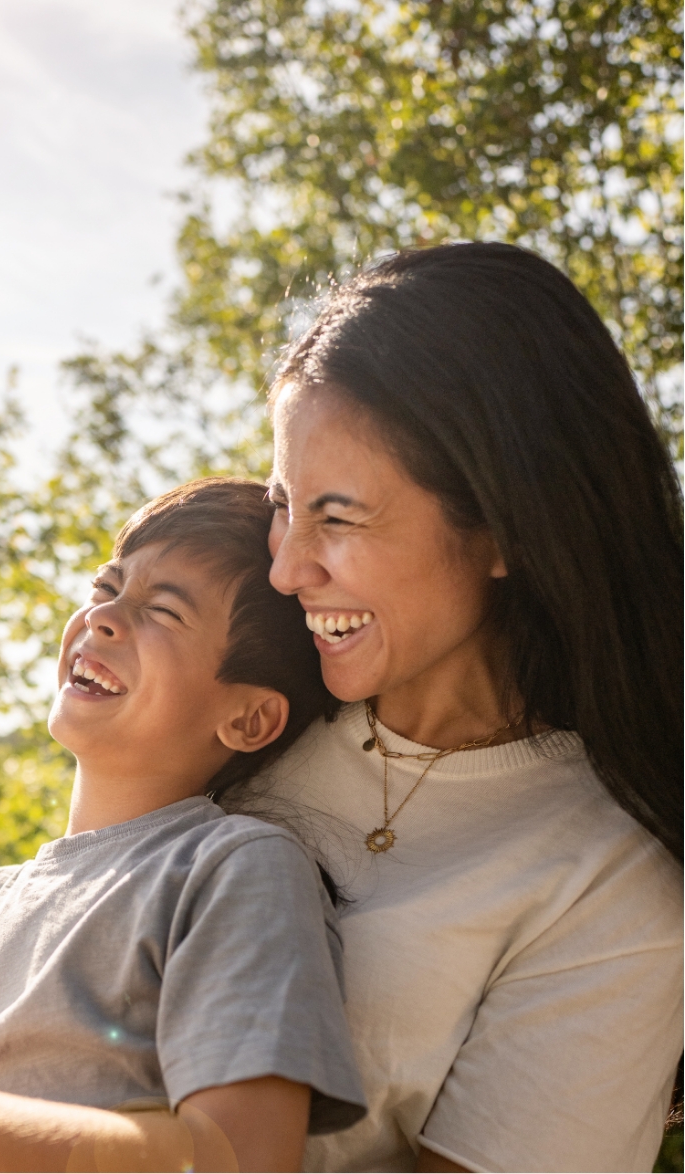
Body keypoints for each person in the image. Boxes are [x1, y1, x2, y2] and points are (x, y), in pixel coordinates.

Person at [0, 478, 365, 1174]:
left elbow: (238, 1156)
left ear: (247, 718)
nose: (105, 617)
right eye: (105, 586)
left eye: (163, 610)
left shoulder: (235, 868)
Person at [260, 241, 683, 1173]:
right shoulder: (248, 713)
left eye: (338, 517)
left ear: (503, 531)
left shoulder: (608, 875)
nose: (288, 567)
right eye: (282, 505)